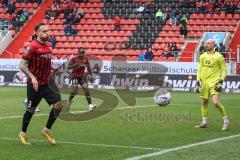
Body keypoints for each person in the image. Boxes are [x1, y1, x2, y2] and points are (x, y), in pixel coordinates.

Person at [18, 23, 62, 145]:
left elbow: (46, 62)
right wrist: (32, 77)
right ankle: (23, 133)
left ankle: (47, 130)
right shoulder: (32, 47)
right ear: (37, 33)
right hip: (35, 85)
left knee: (58, 105)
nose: (47, 33)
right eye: (44, 31)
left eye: (48, 31)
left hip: (47, 82)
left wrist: (53, 68)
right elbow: (22, 65)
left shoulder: (49, 45)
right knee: (31, 109)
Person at [195, 39, 230, 131]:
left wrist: (221, 80)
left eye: (208, 43)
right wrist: (198, 79)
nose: (206, 45)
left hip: (215, 82)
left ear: (213, 45)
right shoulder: (202, 56)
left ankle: (226, 121)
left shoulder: (219, 56)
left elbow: (224, 70)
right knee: (204, 102)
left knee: (216, 103)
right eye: (205, 43)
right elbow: (200, 69)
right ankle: (204, 123)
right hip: (204, 83)